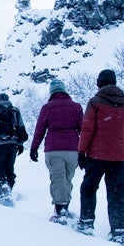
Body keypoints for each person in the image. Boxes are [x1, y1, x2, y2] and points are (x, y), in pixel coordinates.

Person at [76, 69, 124, 242]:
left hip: (97, 154)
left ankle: (86, 222)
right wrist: (117, 143)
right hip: (120, 156)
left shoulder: (95, 102)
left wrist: (81, 151)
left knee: (89, 187)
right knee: (117, 192)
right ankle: (118, 230)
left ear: (99, 84)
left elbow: (87, 129)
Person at [29, 78, 84, 223]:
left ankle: (61, 210)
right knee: (67, 179)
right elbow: (83, 130)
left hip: (54, 148)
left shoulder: (47, 108)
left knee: (57, 179)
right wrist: (84, 151)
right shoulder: (76, 107)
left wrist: (34, 147)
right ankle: (65, 206)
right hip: (73, 149)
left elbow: (39, 130)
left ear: (52, 92)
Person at [0, 92, 28, 202]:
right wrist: (21, 144)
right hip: (13, 143)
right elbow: (21, 128)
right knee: (10, 167)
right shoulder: (15, 111)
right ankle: (8, 189)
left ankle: (3, 186)